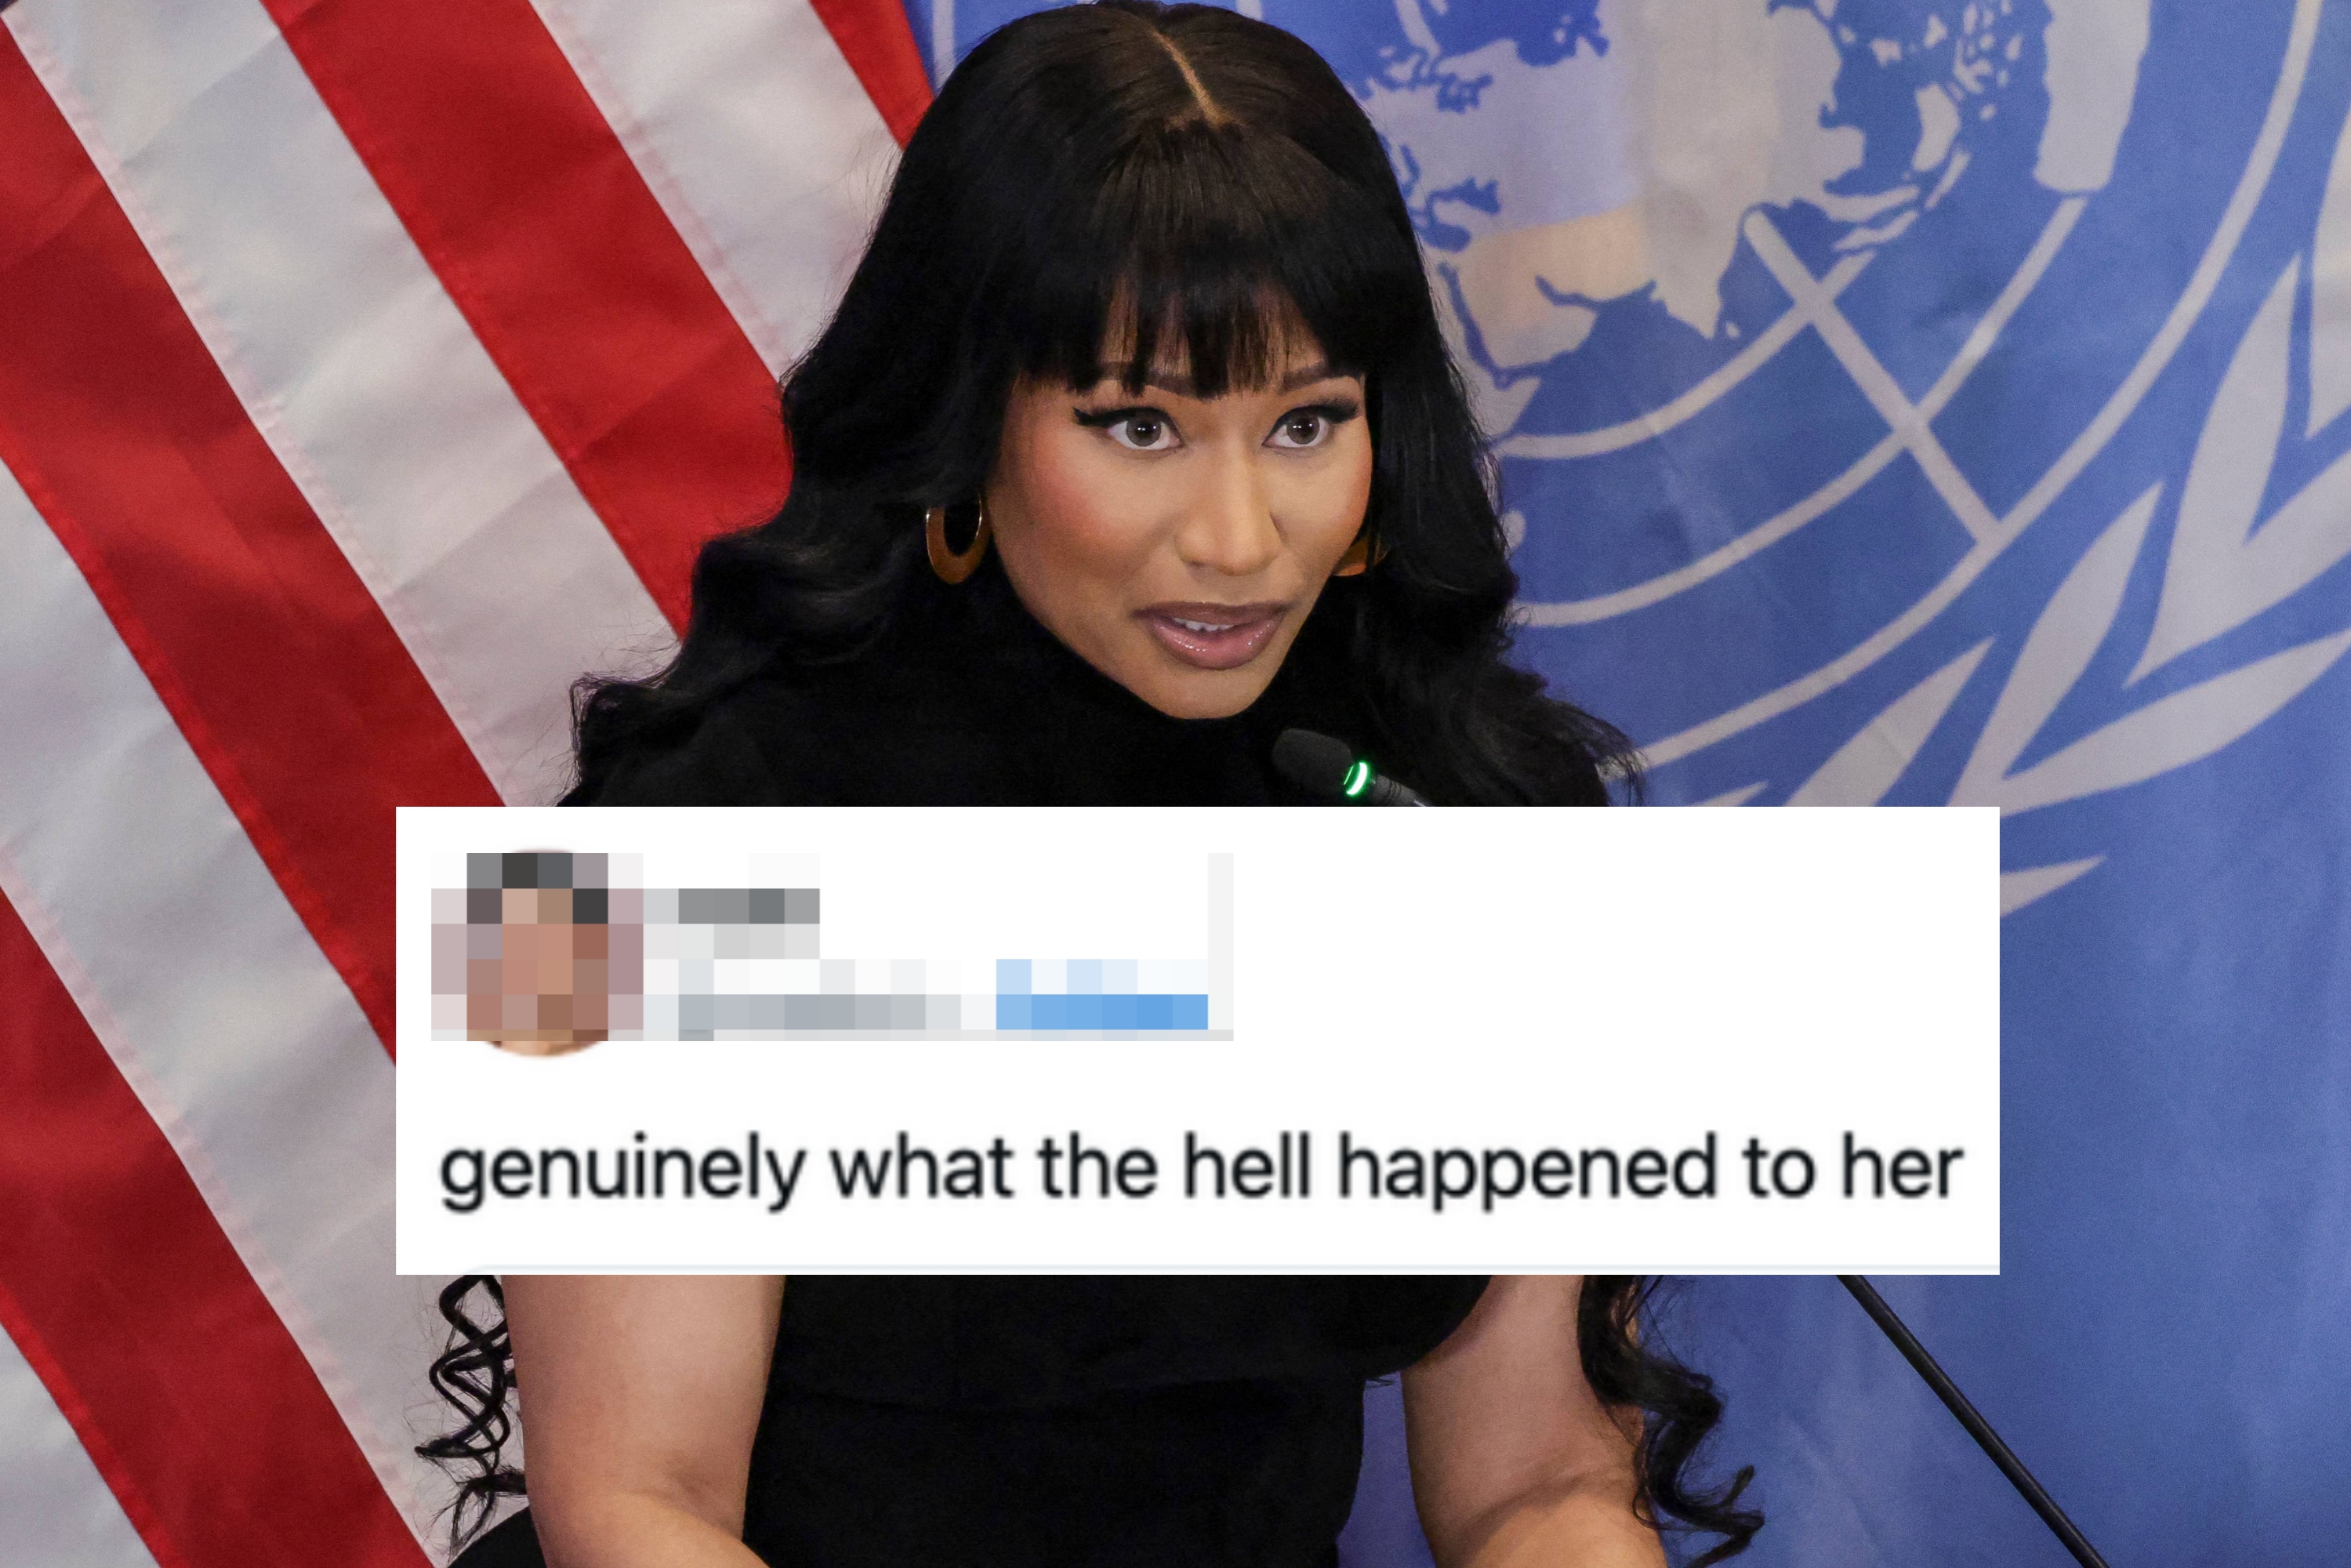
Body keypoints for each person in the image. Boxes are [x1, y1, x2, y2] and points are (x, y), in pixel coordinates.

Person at [422, 5, 1760, 1565]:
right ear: (966, 406)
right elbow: (633, 1508)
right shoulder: (647, 846)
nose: (1243, 534)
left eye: (1308, 423)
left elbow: (1538, 1486)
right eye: (1142, 424)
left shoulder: (1455, 805)